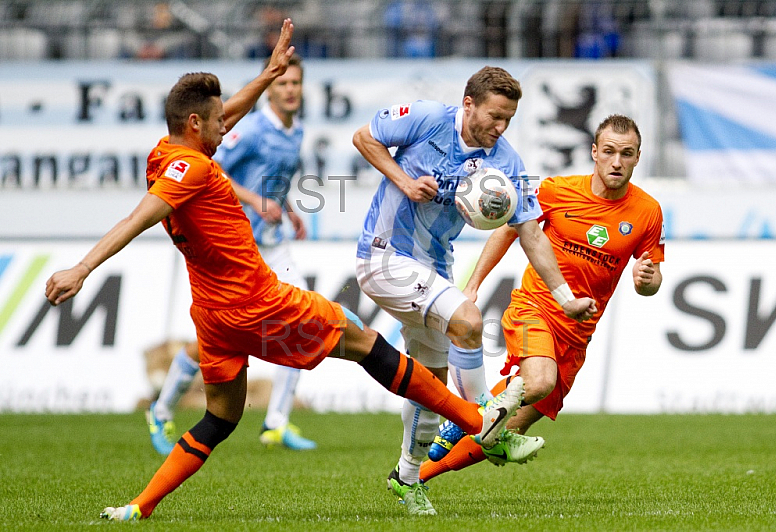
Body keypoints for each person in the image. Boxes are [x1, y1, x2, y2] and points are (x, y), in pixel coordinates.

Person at [43, 20, 535, 521]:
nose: (227, 127)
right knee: (364, 341)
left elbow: (226, 115)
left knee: (220, 418)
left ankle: (138, 506)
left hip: (212, 315)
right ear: (196, 124)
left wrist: (266, 74)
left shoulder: (167, 153)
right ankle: (481, 425)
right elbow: (135, 219)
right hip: (257, 300)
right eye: (218, 122)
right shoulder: (190, 171)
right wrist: (81, 268)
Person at [352, 66, 596, 516]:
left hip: (433, 270)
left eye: (508, 119)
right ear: (469, 105)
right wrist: (404, 182)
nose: (500, 128)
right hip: (383, 256)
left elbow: (531, 232)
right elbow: (363, 138)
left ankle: (408, 478)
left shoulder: (506, 163)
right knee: (467, 321)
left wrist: (564, 298)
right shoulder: (425, 119)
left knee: (430, 385)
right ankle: (487, 421)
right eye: (494, 116)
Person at [418, 114, 665, 483]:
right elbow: (508, 232)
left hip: (577, 335)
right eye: (610, 151)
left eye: (626, 154)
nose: (617, 162)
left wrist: (646, 279)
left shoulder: (647, 212)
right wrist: (474, 285)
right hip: (535, 307)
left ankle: (414, 478)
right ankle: (470, 412)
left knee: (504, 429)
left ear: (637, 157)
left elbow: (652, 280)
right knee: (538, 381)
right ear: (594, 152)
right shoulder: (555, 191)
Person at [146, 54, 317, 454]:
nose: (290, 90)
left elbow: (273, 181)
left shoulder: (296, 131)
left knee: (302, 323)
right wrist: (254, 199)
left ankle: (276, 421)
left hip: (273, 243)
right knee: (213, 342)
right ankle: (162, 409)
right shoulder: (251, 130)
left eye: (295, 83)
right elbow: (208, 165)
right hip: (235, 246)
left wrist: (287, 208)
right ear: (270, 91)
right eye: (282, 84)